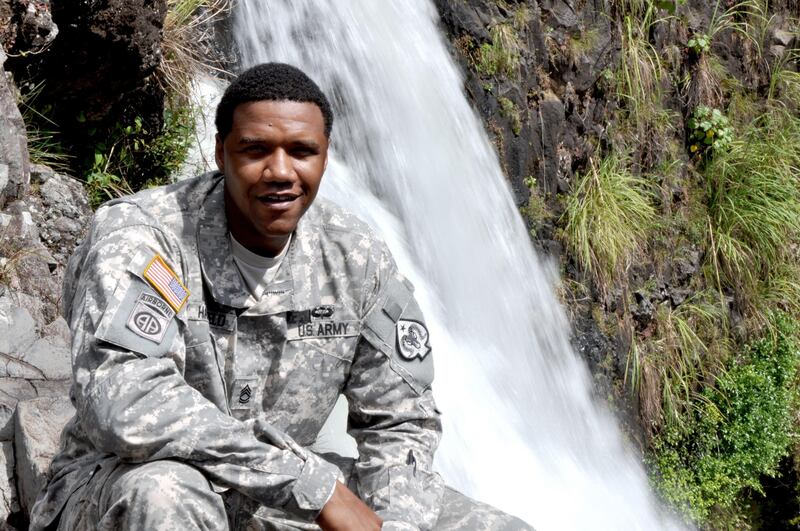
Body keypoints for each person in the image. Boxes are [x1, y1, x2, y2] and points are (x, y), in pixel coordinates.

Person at [28, 63, 532, 531]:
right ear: (220, 152)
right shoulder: (144, 235)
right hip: (126, 485)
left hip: (276, 504)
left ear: (325, 156)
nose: (281, 172)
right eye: (255, 150)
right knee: (167, 494)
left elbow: (400, 418)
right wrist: (309, 485)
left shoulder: (355, 255)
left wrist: (395, 521)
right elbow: (126, 399)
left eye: (301, 151)